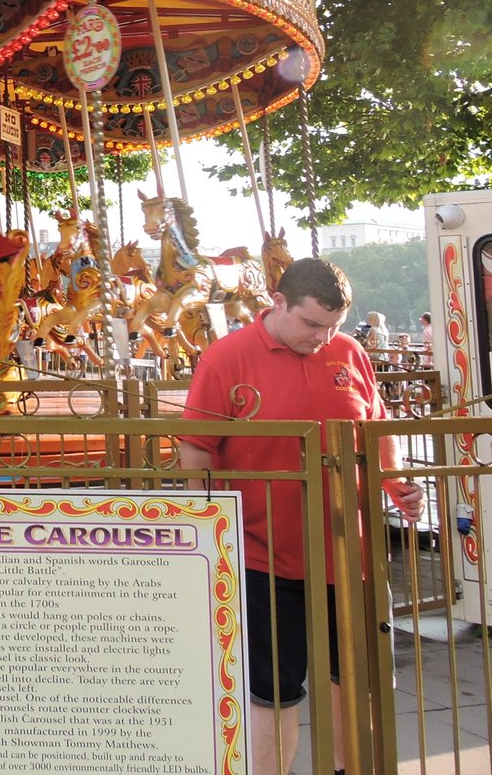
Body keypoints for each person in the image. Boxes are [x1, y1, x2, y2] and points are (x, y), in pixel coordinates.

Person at [179, 258, 424, 775]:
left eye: (332, 325)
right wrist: (208, 532)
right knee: (272, 692)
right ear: (279, 303)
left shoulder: (350, 351)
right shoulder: (227, 358)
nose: (323, 336)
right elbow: (196, 452)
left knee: (356, 679)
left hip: (349, 552)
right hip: (261, 556)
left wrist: (396, 482)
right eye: (312, 324)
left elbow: (377, 435)